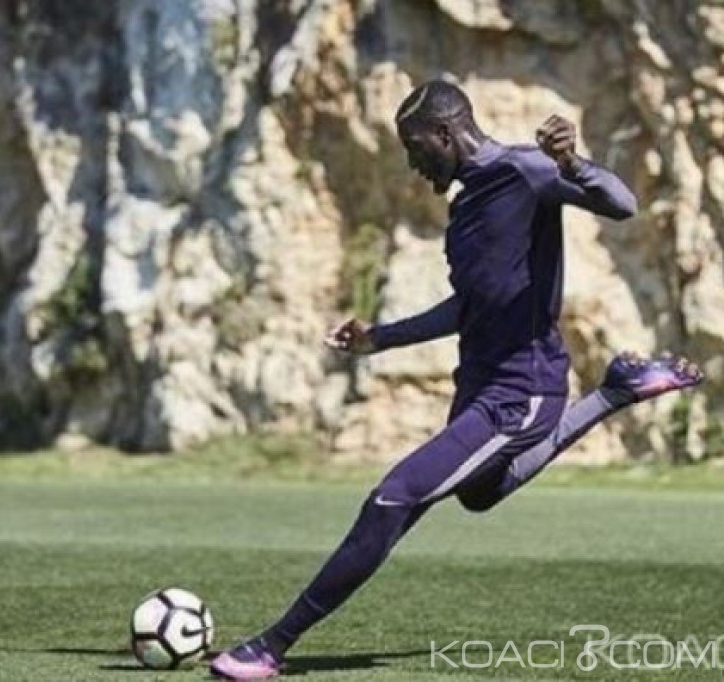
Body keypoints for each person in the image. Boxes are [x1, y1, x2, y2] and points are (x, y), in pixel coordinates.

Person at [209, 79, 704, 681]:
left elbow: (622, 204)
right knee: (477, 493)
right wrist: (380, 338)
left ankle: (271, 646)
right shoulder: (464, 210)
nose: (412, 163)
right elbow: (467, 307)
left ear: (445, 134)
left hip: (522, 391)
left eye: (415, 147)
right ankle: (615, 391)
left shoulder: (526, 170)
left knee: (394, 496)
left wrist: (571, 162)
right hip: (478, 386)